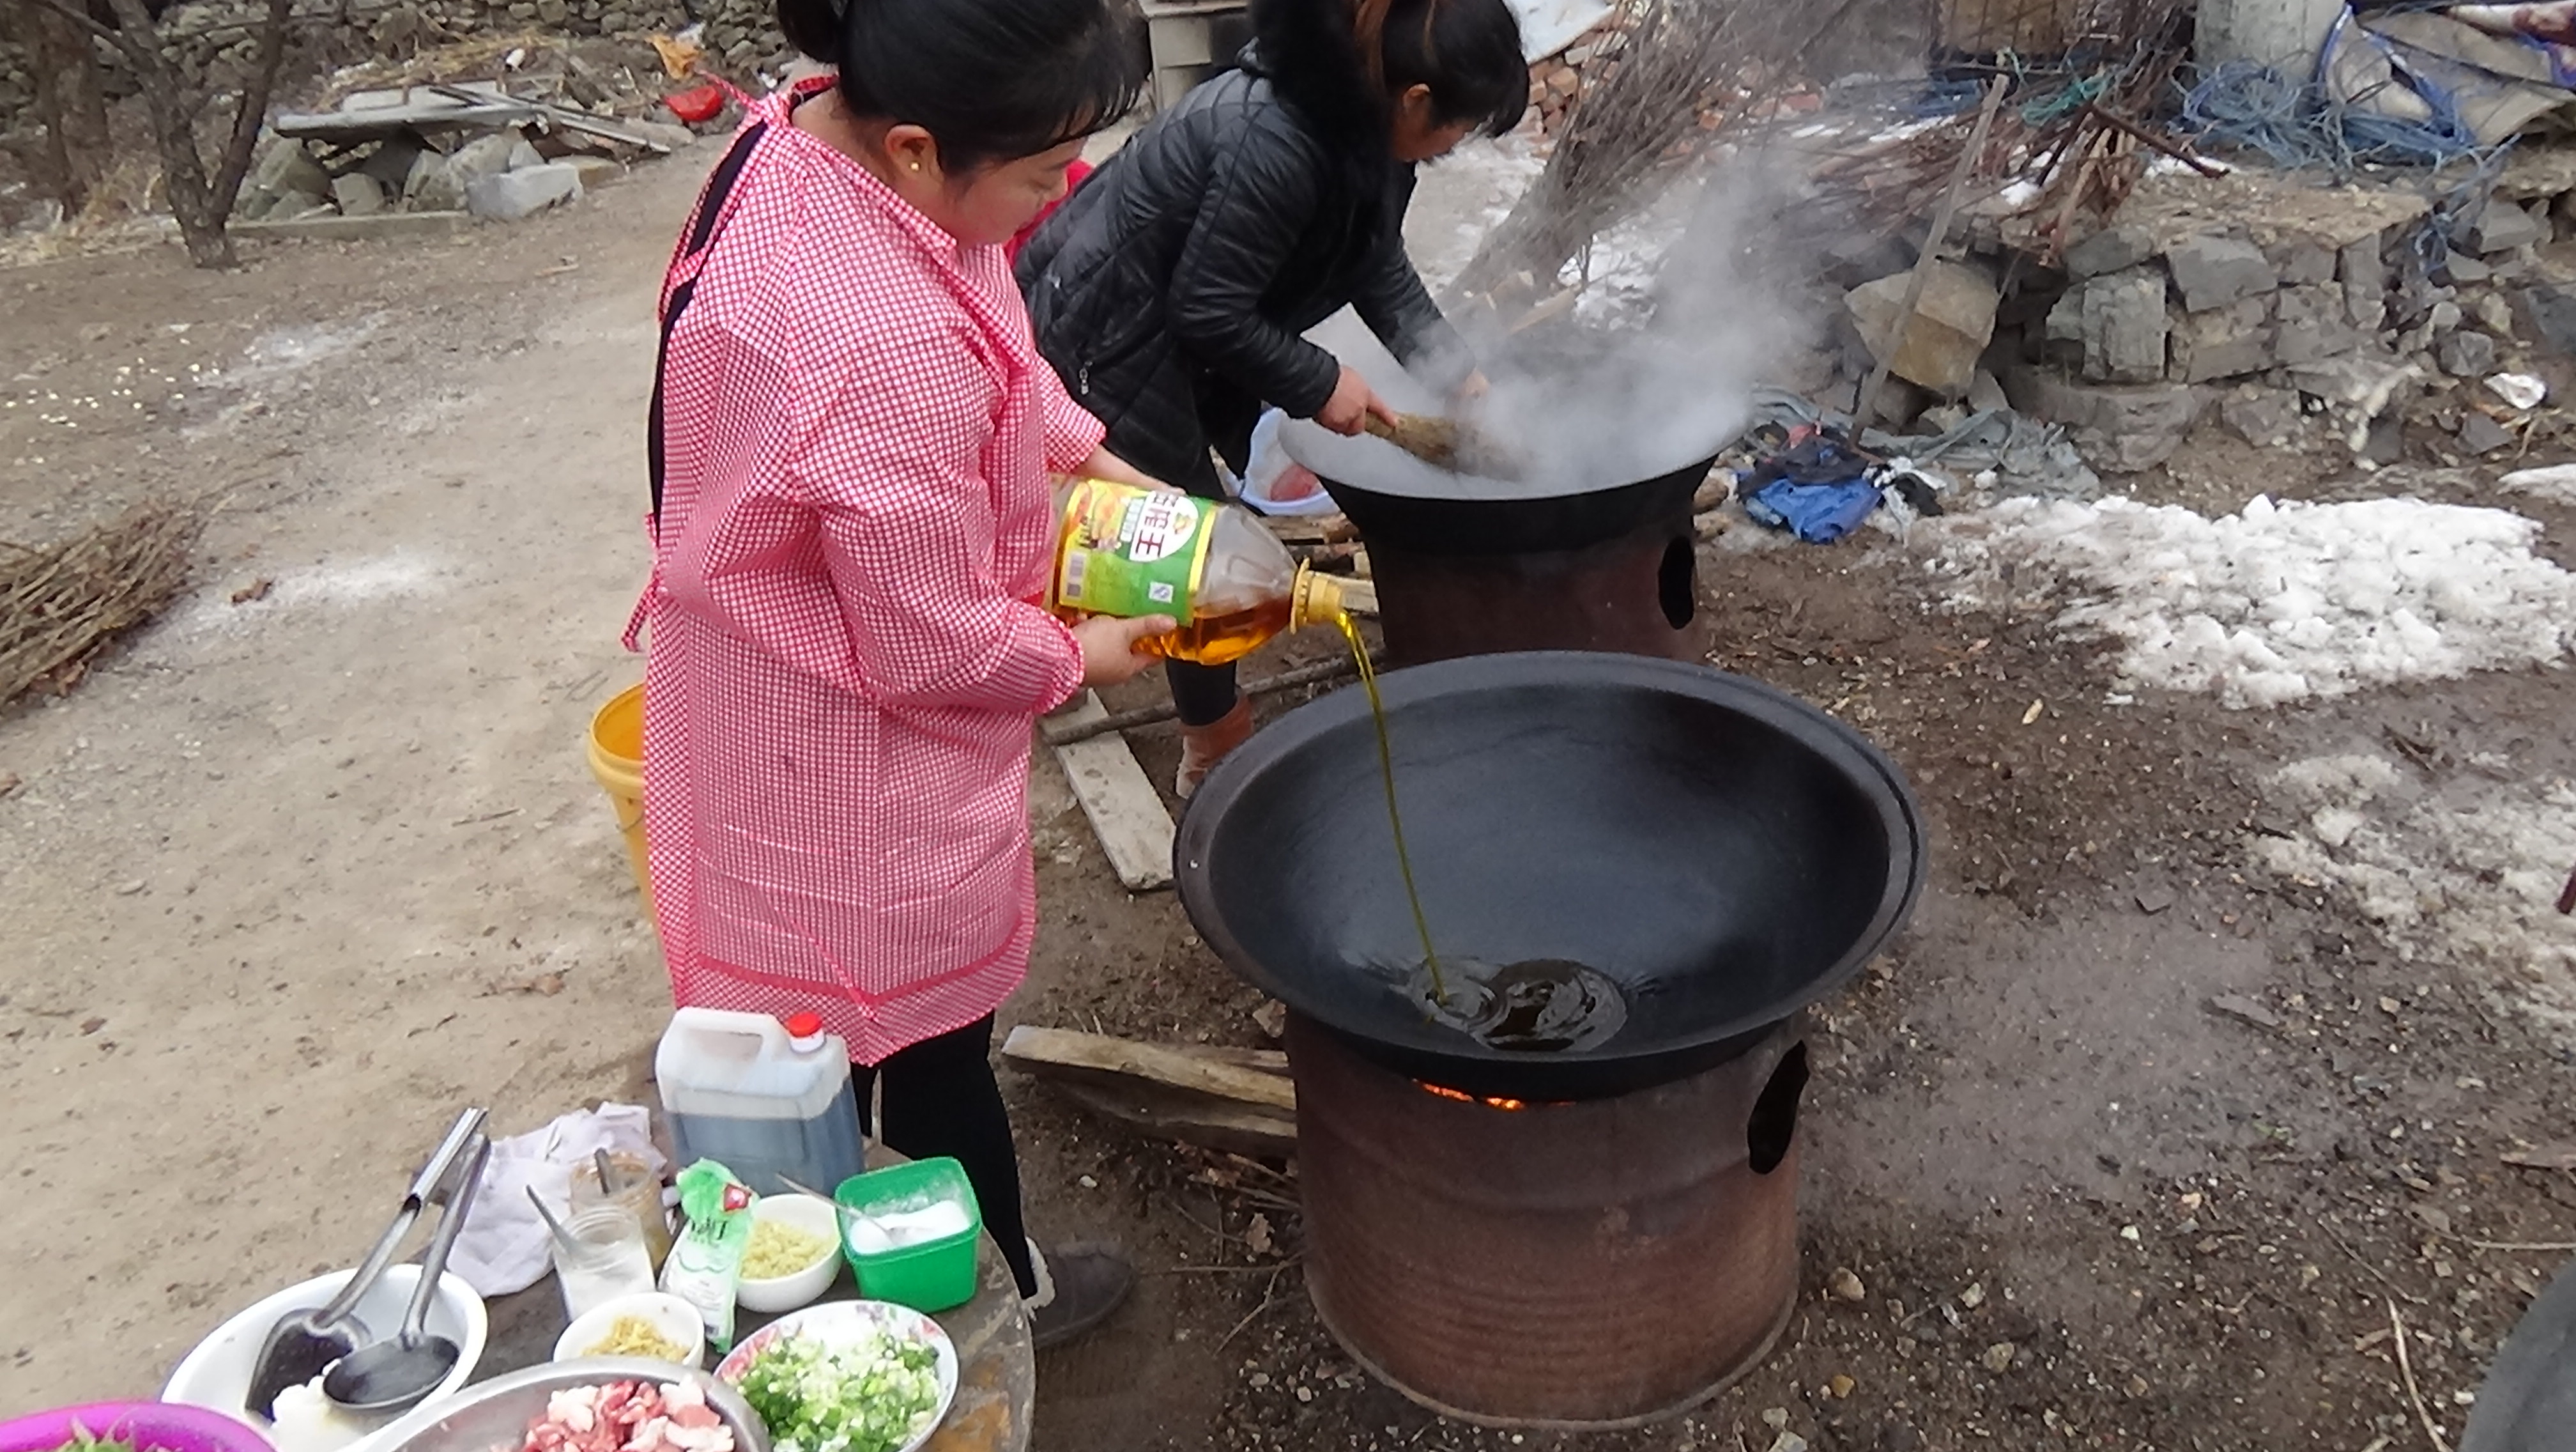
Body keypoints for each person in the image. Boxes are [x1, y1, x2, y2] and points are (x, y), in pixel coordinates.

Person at [629, 0, 1171, 1348]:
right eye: (1047, 171)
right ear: (924, 147)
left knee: (825, 1045)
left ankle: (834, 1260)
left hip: (761, 672)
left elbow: (994, 341)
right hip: (833, 742)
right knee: (912, 1055)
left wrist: (1096, 459)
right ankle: (987, 1302)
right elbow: (934, 643)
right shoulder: (866, 348)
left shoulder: (811, 137)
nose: (1069, 193)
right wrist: (1096, 649)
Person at [1016, 0, 1528, 796]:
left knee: (1124, 522)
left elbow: (1373, 259)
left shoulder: (1366, 117)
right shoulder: (1278, 140)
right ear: (1417, 100)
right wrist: (1320, 383)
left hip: (1169, 333)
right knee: (1180, 541)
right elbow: (1207, 310)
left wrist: (1456, 375)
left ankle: (1052, 644)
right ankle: (1212, 747)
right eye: (1459, 128)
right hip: (1108, 334)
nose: (1457, 146)